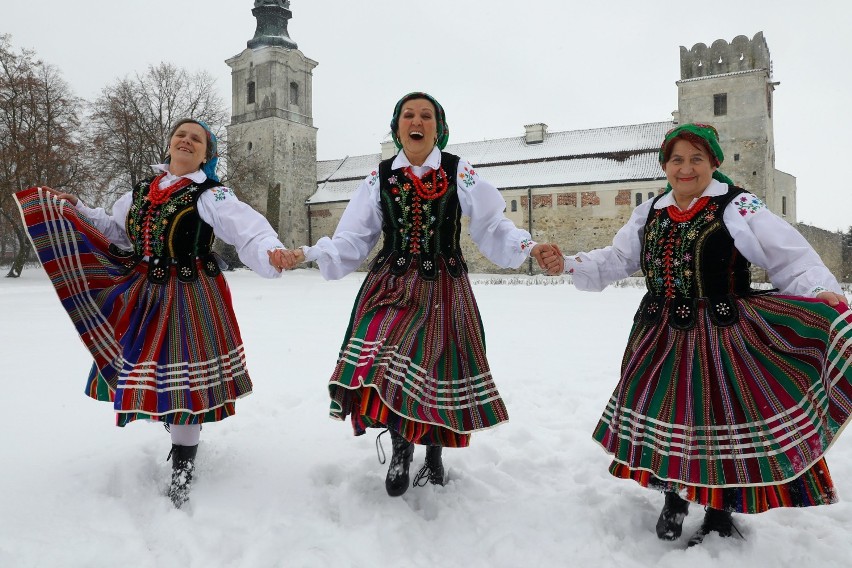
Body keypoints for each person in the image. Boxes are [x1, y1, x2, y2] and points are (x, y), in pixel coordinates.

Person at [562, 122, 852, 545]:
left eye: (697, 158)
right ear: (665, 165)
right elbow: (619, 258)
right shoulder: (650, 210)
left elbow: (788, 255)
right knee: (668, 415)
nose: (686, 167)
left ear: (714, 163)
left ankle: (719, 509)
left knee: (719, 420)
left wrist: (817, 289)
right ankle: (673, 498)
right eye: (677, 159)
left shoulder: (739, 206)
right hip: (659, 333)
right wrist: (571, 264)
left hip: (722, 335)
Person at [281, 92, 564, 496]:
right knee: (382, 359)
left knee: (437, 370)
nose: (417, 121)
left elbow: (491, 225)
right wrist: (309, 253)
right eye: (408, 115)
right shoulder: (379, 177)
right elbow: (354, 237)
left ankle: (433, 453)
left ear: (438, 127)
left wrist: (528, 247)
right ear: (398, 128)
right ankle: (400, 448)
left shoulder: (459, 171)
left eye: (426, 115)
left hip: (444, 285)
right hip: (391, 284)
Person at [14, 119, 293, 508]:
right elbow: (116, 231)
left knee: (185, 380)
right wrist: (76, 208)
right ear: (170, 143)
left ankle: (183, 465)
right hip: (144, 293)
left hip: (191, 295)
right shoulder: (142, 190)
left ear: (206, 154)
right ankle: (176, 433)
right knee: (155, 373)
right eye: (181, 135)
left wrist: (271, 252)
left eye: (196, 139)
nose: (186, 141)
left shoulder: (213, 195)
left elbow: (250, 231)